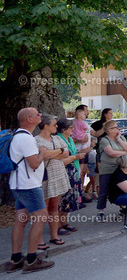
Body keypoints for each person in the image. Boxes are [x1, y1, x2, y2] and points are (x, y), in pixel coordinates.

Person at [6, 108, 54, 273]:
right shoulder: (26, 139)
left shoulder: (18, 136)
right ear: (29, 119)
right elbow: (34, 163)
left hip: (19, 184)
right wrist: (43, 153)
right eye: (37, 114)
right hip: (29, 185)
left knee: (21, 220)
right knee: (41, 217)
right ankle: (32, 260)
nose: (40, 116)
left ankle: (16, 259)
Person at [35, 114, 70, 248]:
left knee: (54, 207)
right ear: (46, 126)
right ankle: (38, 239)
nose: (56, 126)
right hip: (45, 178)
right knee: (42, 210)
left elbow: (66, 154)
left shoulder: (57, 138)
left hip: (58, 175)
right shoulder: (36, 140)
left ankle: (54, 235)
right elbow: (43, 155)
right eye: (54, 124)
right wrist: (58, 151)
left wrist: (50, 153)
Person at [96, 120, 127, 221]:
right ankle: (100, 211)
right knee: (104, 189)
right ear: (110, 130)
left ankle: (123, 207)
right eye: (115, 127)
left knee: (121, 188)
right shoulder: (104, 140)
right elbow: (110, 153)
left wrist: (119, 139)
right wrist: (123, 153)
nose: (118, 129)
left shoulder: (121, 137)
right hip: (107, 169)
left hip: (120, 168)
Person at [56, 118, 84, 234]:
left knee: (68, 199)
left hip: (73, 172)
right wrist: (75, 157)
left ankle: (64, 222)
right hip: (64, 173)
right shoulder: (58, 140)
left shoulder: (70, 139)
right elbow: (60, 161)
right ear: (63, 129)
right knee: (61, 200)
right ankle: (57, 226)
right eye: (71, 128)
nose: (73, 129)